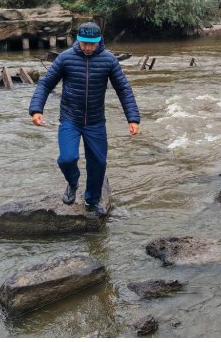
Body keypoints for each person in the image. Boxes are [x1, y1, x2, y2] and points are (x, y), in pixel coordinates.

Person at [29, 22, 140, 218]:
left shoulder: (109, 60)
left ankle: (92, 200)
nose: (88, 47)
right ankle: (73, 182)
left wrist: (132, 118)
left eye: (92, 44)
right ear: (78, 40)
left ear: (99, 42)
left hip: (96, 121)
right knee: (67, 158)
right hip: (70, 119)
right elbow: (45, 84)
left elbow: (123, 89)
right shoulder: (65, 58)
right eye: (84, 43)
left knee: (98, 163)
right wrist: (36, 109)